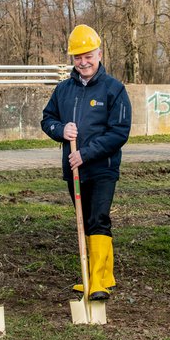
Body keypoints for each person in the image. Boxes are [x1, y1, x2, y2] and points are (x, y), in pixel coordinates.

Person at [41, 25, 131, 301]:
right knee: (83, 220)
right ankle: (103, 274)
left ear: (99, 53)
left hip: (102, 167)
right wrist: (59, 130)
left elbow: (119, 131)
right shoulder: (63, 89)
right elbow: (47, 119)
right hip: (74, 169)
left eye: (88, 55)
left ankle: (99, 280)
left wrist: (87, 153)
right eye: (78, 57)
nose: (83, 62)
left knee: (98, 218)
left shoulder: (114, 89)